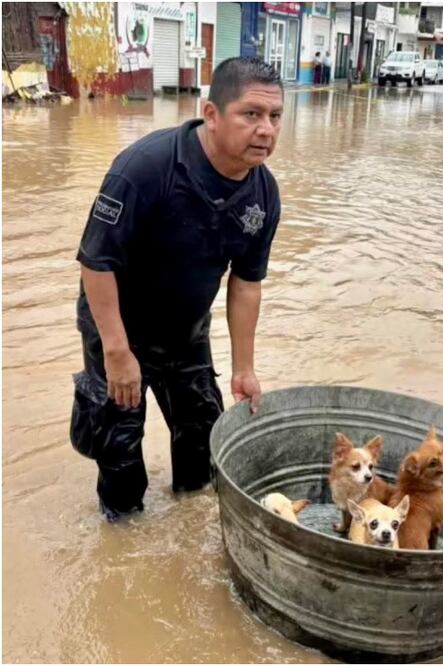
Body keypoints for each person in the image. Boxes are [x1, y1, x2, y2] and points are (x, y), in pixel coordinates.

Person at [70, 57, 284, 522]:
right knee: (120, 449)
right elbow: (95, 262)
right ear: (211, 114)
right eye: (251, 114)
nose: (266, 129)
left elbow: (247, 283)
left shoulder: (264, 195)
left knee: (204, 445)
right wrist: (117, 353)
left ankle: (186, 533)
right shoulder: (147, 168)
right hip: (119, 327)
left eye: (274, 116)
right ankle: (121, 538)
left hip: (186, 330)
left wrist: (244, 368)